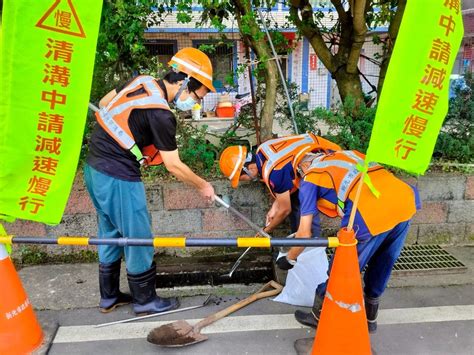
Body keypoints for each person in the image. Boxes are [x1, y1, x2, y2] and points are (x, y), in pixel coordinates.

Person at [84, 48, 216, 315]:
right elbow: (174, 165)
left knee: (110, 232)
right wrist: (203, 185)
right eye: (195, 96)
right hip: (118, 175)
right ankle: (144, 300)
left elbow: (105, 101)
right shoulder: (161, 114)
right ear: (184, 82)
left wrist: (130, 137)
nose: (194, 103)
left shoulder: (141, 81)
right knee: (138, 237)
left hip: (94, 168)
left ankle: (108, 297)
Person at [275, 149, 421, 333]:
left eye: (298, 175)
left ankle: (318, 316)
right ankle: (370, 318)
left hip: (369, 214)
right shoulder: (347, 155)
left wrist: (289, 258)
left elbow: (304, 232)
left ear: (303, 165)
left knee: (341, 268)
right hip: (403, 202)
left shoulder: (311, 176)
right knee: (384, 262)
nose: (300, 178)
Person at [219, 133, 341, 239]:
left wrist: (265, 231)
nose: (244, 181)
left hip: (329, 163)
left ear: (249, 168)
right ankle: (301, 243)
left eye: (241, 178)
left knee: (304, 203)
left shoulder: (273, 173)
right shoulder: (262, 151)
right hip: (319, 152)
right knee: (296, 200)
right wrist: (274, 208)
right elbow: (285, 183)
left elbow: (284, 210)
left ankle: (310, 245)